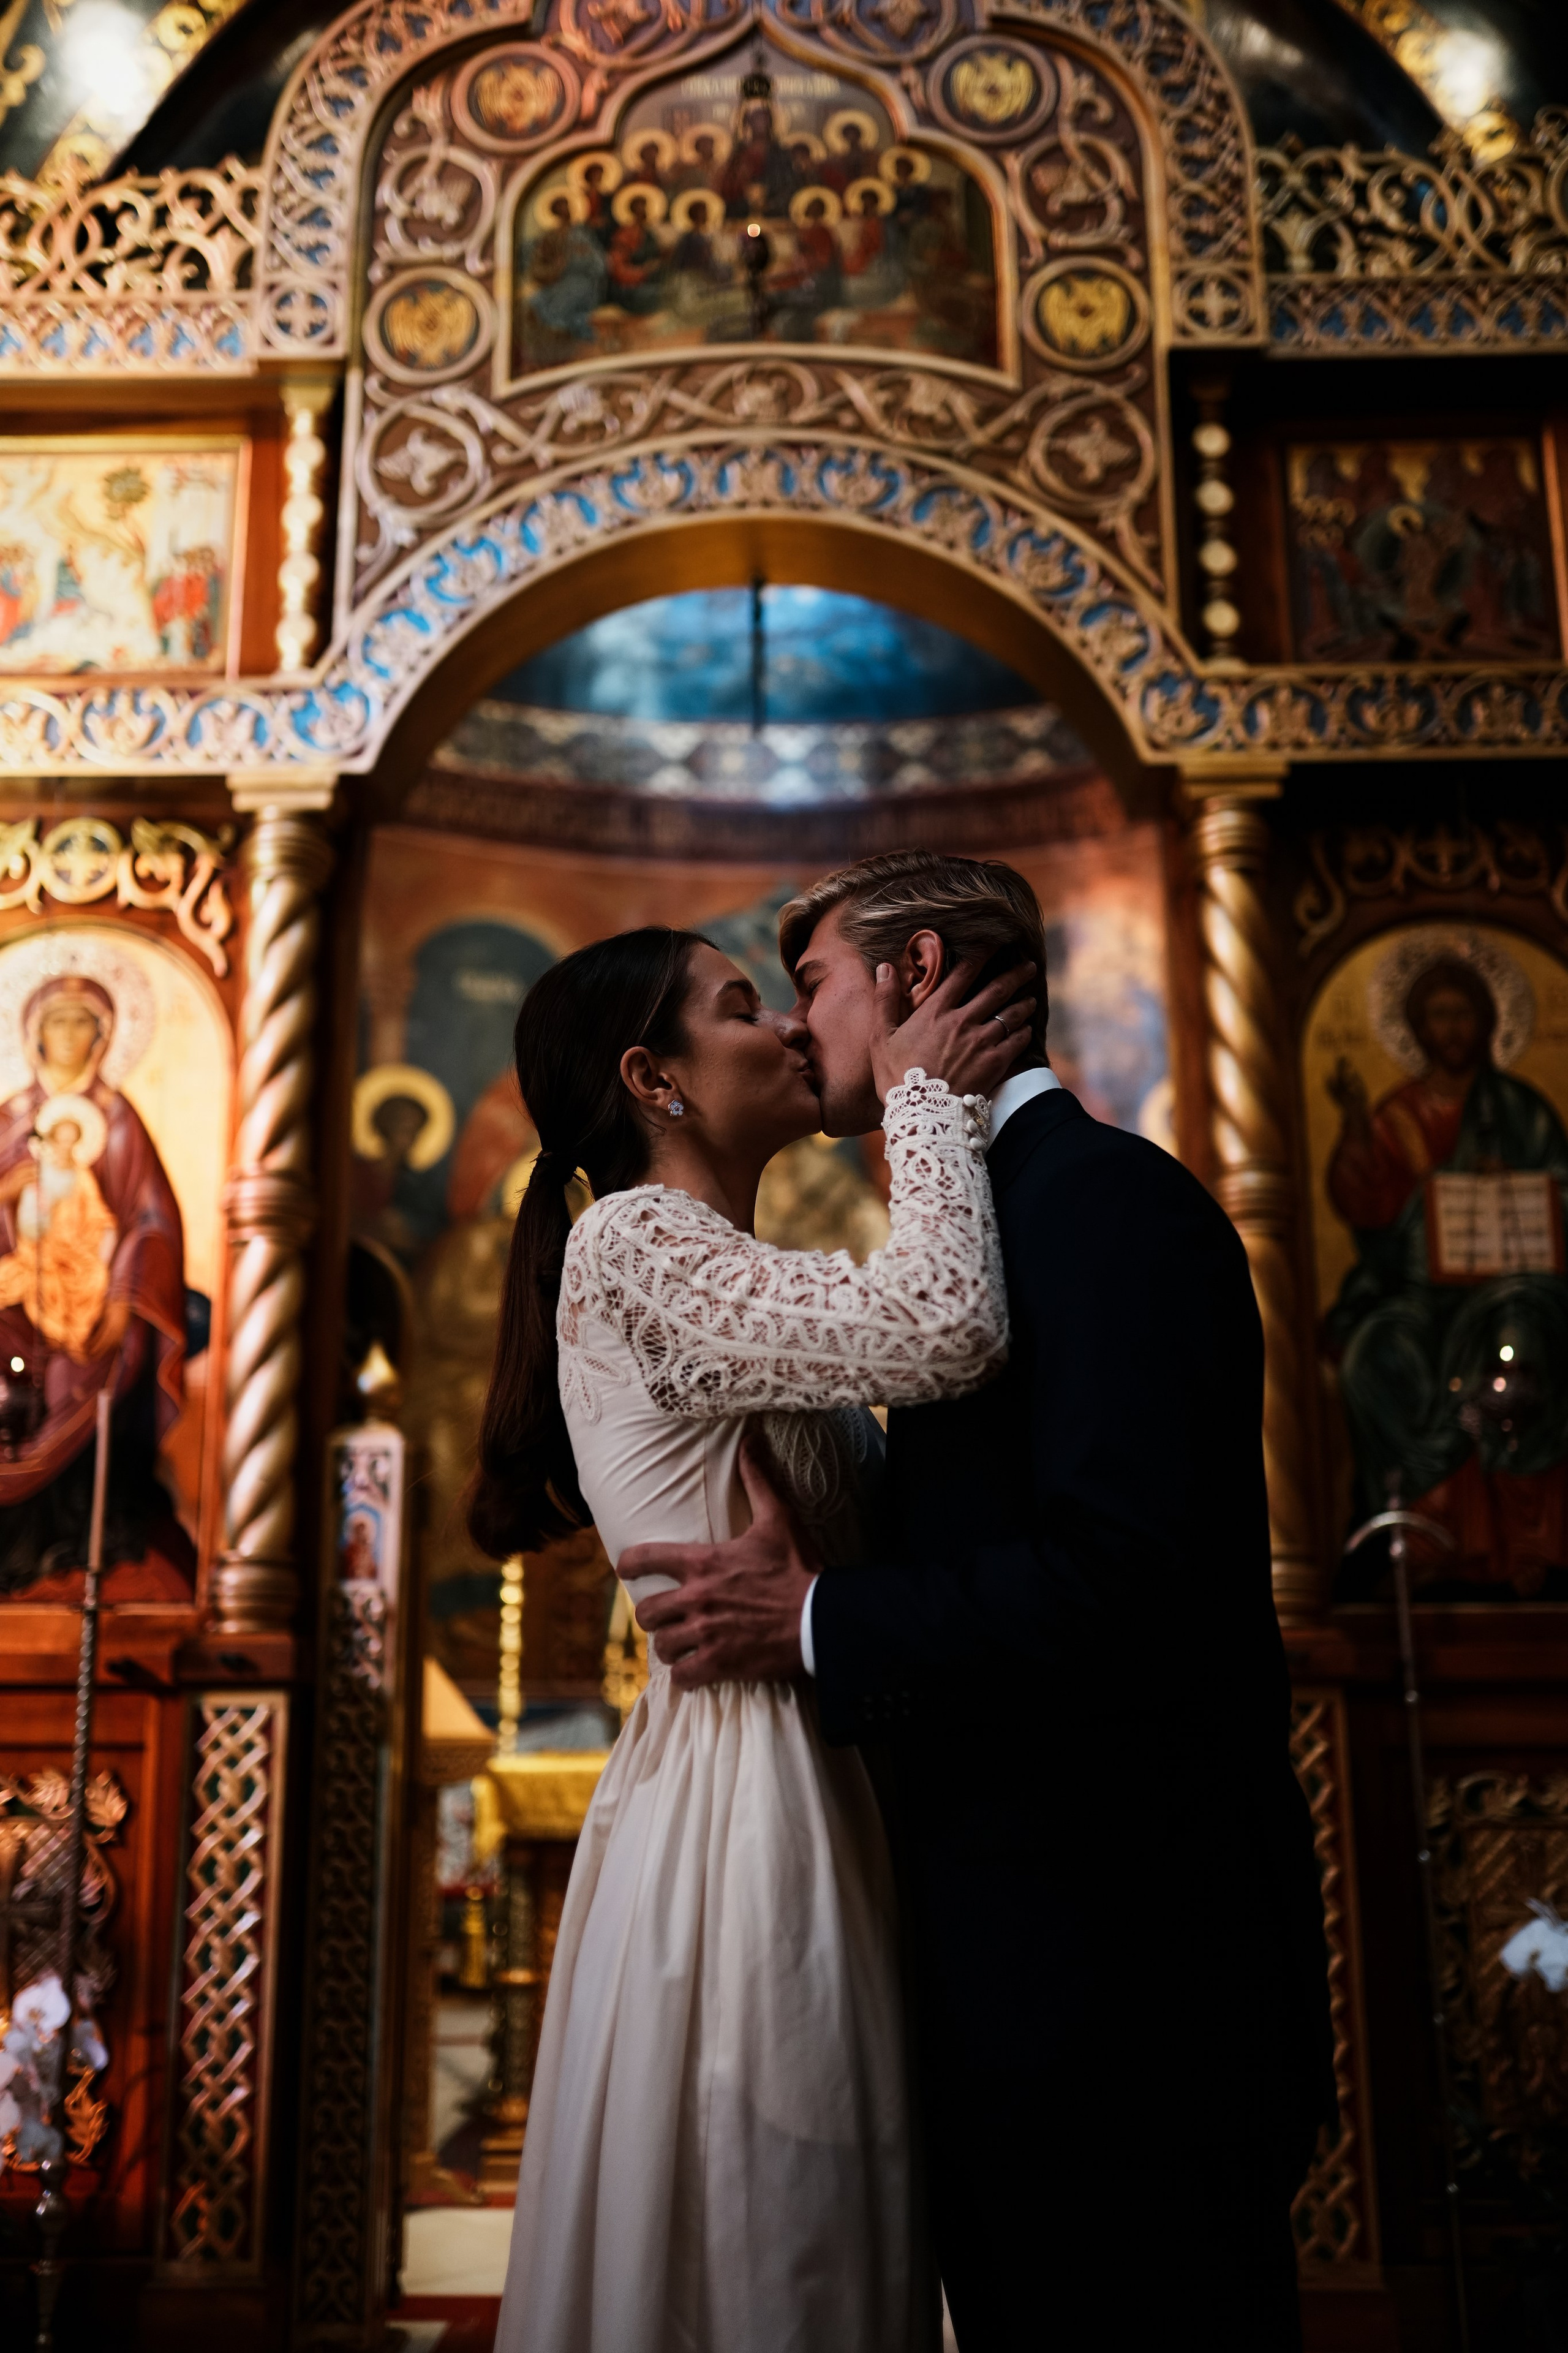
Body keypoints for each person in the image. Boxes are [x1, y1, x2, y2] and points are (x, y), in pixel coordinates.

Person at [624, 851, 1335, 2353]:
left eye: (809, 982)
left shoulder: (1099, 1207)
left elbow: (1117, 1581)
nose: (795, 1029)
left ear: (915, 973)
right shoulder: (981, 1213)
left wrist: (814, 1620)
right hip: (1024, 1985)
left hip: (1127, 1993)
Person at [477, 923, 1035, 2353]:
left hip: (829, 1760)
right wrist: (919, 1092)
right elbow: (944, 1325)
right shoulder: (630, 1239)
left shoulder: (720, 1255)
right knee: (774, 2232)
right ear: (652, 1076)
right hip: (740, 1796)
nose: (788, 1030)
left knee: (836, 2235)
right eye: (742, 1008)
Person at [1325, 952, 1568, 1587]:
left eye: (1463, 1014)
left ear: (1487, 1022)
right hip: (1420, 1294)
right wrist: (1355, 1128)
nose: (1452, 1029)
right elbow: (1364, 1208)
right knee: (1371, 1354)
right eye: (1438, 1016)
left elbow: (1563, 1191)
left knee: (1519, 1344)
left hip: (1512, 1283)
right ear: (1417, 1026)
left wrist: (1518, 1185)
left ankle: (1530, 1546)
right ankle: (1419, 1531)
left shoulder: (1520, 1109)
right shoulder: (1397, 1115)